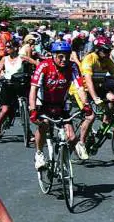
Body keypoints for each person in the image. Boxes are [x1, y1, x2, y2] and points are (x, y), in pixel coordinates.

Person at [29, 41, 90, 170]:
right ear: (53, 55)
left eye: (67, 56)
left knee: (72, 137)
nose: (64, 60)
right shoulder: (44, 65)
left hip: (61, 104)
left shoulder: (72, 66)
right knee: (44, 124)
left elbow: (79, 87)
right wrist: (33, 109)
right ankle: (39, 153)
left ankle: (62, 162)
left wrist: (86, 105)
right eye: (60, 56)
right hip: (43, 104)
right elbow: (33, 89)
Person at [74, 37, 114, 160]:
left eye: (108, 51)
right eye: (104, 51)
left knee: (113, 100)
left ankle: (103, 127)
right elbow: (88, 81)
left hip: (98, 87)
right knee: (90, 116)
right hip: (82, 89)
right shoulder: (89, 59)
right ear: (97, 50)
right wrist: (95, 98)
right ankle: (80, 143)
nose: (107, 53)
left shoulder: (107, 60)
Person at [0, 42, 26, 138]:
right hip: (7, 85)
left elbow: (36, 64)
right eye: (6, 47)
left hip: (19, 86)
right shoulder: (5, 59)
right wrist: (0, 77)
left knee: (20, 108)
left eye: (9, 47)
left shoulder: (22, 58)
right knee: (5, 109)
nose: (6, 48)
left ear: (16, 48)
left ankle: (27, 131)